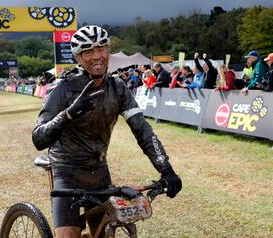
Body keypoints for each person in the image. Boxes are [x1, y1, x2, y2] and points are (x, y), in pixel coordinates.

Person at [32, 25, 182, 238]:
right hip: (67, 170)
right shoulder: (62, 88)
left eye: (102, 48)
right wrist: (68, 115)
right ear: (78, 57)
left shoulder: (118, 87)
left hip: (99, 170)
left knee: (104, 234)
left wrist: (166, 169)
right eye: (88, 52)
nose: (97, 56)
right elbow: (38, 138)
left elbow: (143, 130)